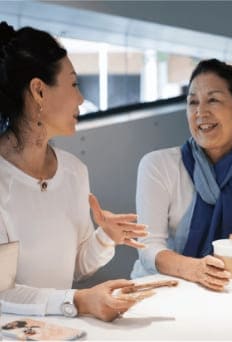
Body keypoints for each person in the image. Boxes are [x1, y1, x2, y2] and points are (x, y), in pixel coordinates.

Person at [0, 22, 148, 322]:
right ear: (39, 91)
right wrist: (79, 301)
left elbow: (78, 267)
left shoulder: (74, 172)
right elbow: (3, 293)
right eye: (73, 84)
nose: (80, 99)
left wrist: (105, 237)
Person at [131, 59, 232, 291]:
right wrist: (195, 269)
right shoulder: (157, 165)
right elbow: (148, 247)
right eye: (192, 102)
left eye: (213, 100)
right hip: (161, 288)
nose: (200, 112)